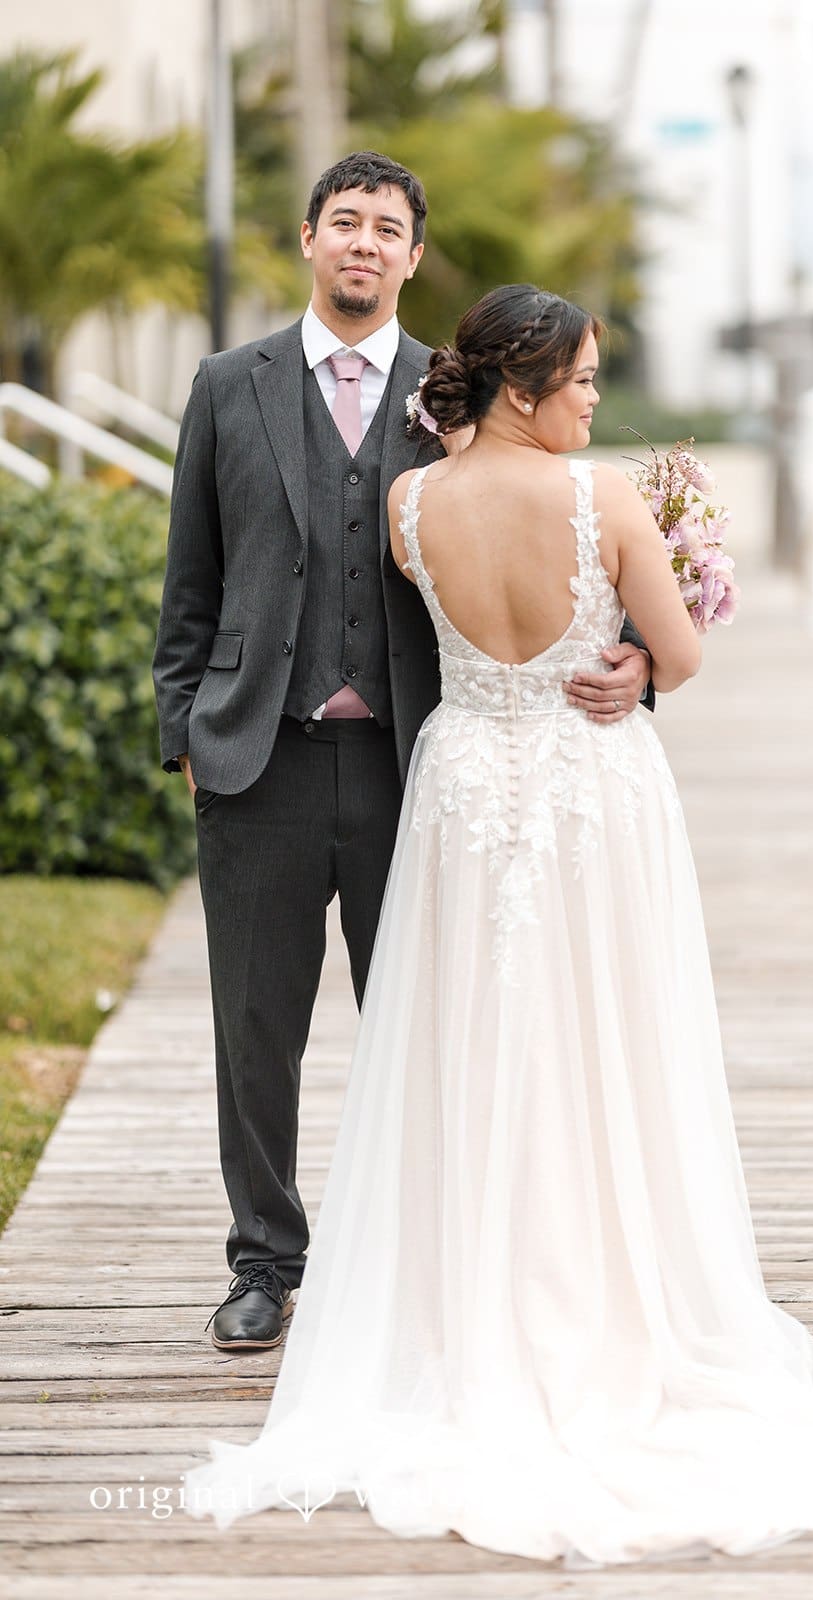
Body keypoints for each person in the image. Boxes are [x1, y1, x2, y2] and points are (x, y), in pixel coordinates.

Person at [182, 284, 813, 1565]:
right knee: (607, 1041)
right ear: (525, 384)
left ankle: (463, 1299)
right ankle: (604, 1300)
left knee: (471, 1042)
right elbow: (679, 652)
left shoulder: (408, 503)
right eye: (586, 379)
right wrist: (648, 659)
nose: (595, 399)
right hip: (588, 792)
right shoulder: (600, 499)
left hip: (460, 788)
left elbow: (429, 641)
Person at [152, 155, 652, 1352]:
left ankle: (423, 1265)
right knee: (254, 1031)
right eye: (344, 223)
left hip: (415, 764)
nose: (364, 245)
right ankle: (264, 1261)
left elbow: (561, 532)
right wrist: (186, 733)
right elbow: (190, 585)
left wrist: (631, 654)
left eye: (387, 229)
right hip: (256, 764)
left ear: (414, 257)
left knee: (429, 1018)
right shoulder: (229, 386)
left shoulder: (457, 396)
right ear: (309, 240)